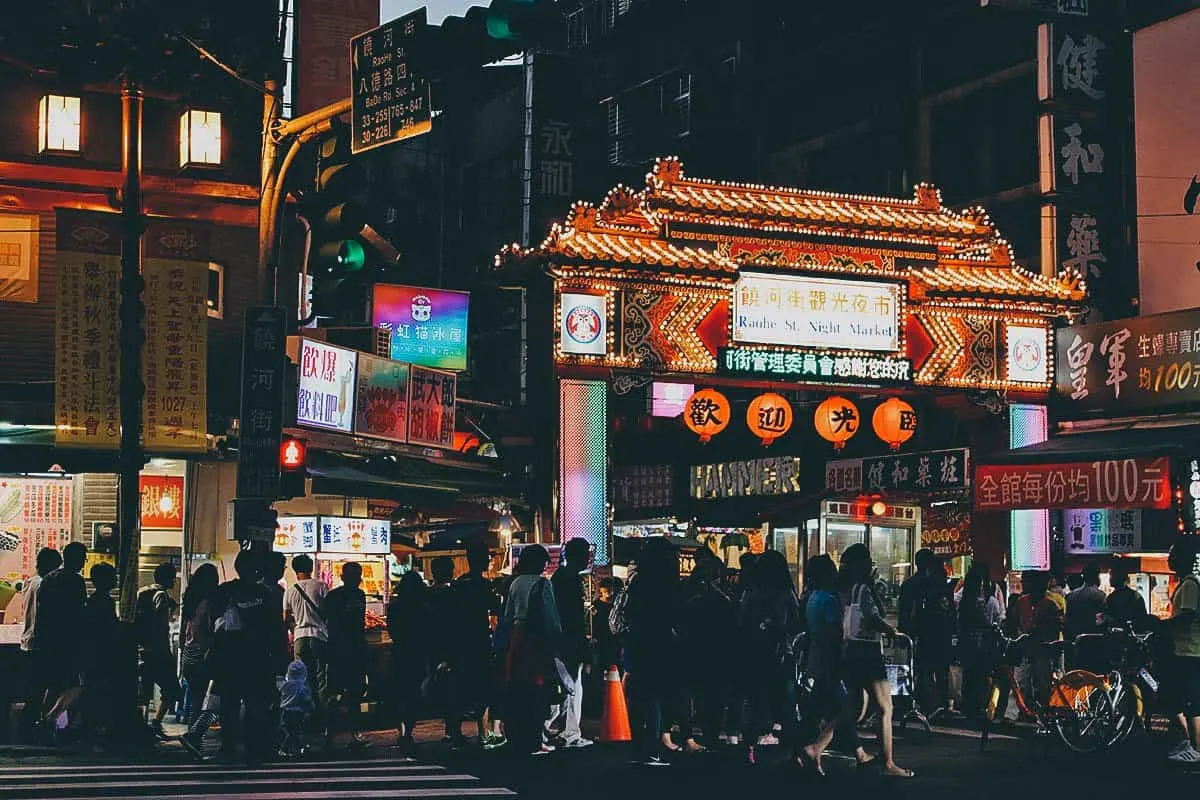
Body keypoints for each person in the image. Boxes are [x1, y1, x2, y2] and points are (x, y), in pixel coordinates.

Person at [840, 543, 912, 778]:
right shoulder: (864, 588)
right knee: (885, 707)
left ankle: (816, 747)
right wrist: (893, 632)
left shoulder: (848, 588)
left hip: (851, 651)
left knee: (852, 709)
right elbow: (871, 618)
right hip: (868, 652)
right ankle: (888, 762)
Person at [799, 554, 871, 774]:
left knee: (825, 710)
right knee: (844, 709)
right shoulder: (829, 600)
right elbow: (834, 632)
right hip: (830, 661)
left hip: (817, 659)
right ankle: (815, 749)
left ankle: (856, 752)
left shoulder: (813, 597)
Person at [210, 549, 275, 762]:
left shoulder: (224, 591)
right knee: (255, 703)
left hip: (230, 656)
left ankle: (228, 747)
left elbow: (214, 622)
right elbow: (273, 630)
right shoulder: (265, 595)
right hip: (257, 657)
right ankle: (254, 746)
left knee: (229, 704)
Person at [740, 550, 802, 766]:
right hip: (782, 654)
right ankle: (795, 754)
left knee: (755, 702)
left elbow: (742, 621)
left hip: (755, 654)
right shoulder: (786, 593)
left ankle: (748, 748)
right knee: (787, 705)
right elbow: (796, 621)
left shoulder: (751, 592)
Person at [500, 544, 562, 756]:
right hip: (535, 638)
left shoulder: (514, 583)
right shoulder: (542, 584)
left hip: (516, 638)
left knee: (518, 688)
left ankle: (517, 737)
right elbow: (551, 618)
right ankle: (535, 740)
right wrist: (556, 641)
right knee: (537, 689)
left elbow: (507, 615)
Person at [624, 537, 679, 767]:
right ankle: (653, 747)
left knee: (640, 694)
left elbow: (629, 611)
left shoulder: (639, 581)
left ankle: (640, 747)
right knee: (655, 696)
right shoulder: (671, 582)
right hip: (663, 643)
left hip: (639, 641)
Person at [677, 558, 735, 753]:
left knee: (697, 695)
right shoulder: (721, 600)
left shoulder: (689, 597)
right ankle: (711, 736)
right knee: (714, 698)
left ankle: (694, 734)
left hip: (693, 652)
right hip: (716, 655)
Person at [34, 541, 88, 737]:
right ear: (75, 559)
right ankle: (49, 719)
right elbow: (80, 614)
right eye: (83, 558)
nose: (84, 562)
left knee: (54, 684)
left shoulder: (48, 579)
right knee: (75, 686)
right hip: (68, 643)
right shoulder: (76, 581)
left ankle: (46, 725)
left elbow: (42, 612)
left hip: (47, 642)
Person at [452, 541, 503, 748]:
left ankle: (456, 734)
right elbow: (497, 611)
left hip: (460, 642)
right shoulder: (483, 585)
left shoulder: (459, 584)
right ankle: (484, 734)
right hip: (479, 641)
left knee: (460, 688)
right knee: (483, 689)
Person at [546, 537, 593, 749]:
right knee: (572, 687)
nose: (588, 558)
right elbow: (573, 617)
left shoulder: (560, 577)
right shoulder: (570, 579)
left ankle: (557, 729)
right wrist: (582, 645)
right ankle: (568, 733)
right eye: (585, 554)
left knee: (566, 686)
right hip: (569, 641)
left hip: (559, 639)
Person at [898, 548, 954, 718]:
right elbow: (948, 609)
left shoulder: (910, 584)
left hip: (919, 634)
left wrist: (903, 631)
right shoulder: (936, 584)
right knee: (939, 670)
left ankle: (924, 704)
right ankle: (940, 705)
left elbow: (904, 612)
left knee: (922, 670)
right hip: (936, 633)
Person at [134, 563, 182, 738]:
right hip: (158, 650)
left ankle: (143, 724)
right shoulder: (161, 595)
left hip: (142, 649)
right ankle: (156, 722)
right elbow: (160, 621)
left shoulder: (142, 592)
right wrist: (171, 612)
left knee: (144, 691)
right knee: (172, 689)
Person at [324, 561, 369, 750]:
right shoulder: (335, 596)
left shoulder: (359, 595)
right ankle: (336, 732)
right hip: (341, 649)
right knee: (341, 693)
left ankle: (338, 732)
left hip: (349, 649)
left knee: (349, 693)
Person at [178, 563, 220, 756]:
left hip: (188, 656)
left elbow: (182, 634)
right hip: (203, 656)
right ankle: (194, 736)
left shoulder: (190, 603)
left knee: (196, 701)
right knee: (214, 701)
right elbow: (209, 632)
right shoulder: (208, 604)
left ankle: (193, 738)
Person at [283, 554, 329, 729]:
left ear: (295, 570)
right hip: (319, 636)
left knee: (301, 678)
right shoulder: (322, 586)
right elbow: (329, 612)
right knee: (321, 678)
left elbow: (286, 617)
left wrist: (295, 629)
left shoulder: (290, 590)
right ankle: (322, 718)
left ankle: (304, 717)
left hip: (300, 637)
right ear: (311, 568)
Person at [18, 547, 60, 738]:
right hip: (39, 642)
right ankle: (33, 728)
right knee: (40, 688)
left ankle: (28, 726)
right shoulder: (45, 584)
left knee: (33, 688)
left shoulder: (29, 582)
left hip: (27, 640)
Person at [1165, 538, 1200, 762]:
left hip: (1190, 651)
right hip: (1185, 650)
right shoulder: (1186, 583)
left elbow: (1185, 617)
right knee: (1185, 700)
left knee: (1190, 702)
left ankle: (1195, 748)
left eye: (1173, 554)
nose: (1170, 559)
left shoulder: (1189, 584)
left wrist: (1160, 624)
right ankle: (1192, 745)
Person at [387, 571, 429, 753]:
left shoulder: (395, 606)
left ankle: (401, 730)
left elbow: (391, 629)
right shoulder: (424, 608)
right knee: (413, 694)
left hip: (399, 651)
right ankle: (408, 731)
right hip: (418, 652)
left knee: (399, 692)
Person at [957, 562, 1004, 716]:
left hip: (967, 641)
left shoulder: (965, 599)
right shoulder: (989, 601)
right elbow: (998, 618)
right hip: (985, 642)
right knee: (983, 675)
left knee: (969, 674)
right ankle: (981, 704)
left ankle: (968, 703)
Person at [80, 562, 119, 741]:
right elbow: (109, 629)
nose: (115, 579)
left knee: (93, 690)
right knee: (99, 691)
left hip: (92, 654)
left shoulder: (93, 600)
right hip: (102, 654)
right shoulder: (104, 602)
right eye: (112, 576)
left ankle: (91, 726)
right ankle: (96, 728)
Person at [278, 659, 316, 757]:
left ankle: (294, 748)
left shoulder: (285, 685)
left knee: (290, 732)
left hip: (285, 712)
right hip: (297, 714)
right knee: (294, 732)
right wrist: (311, 708)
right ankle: (289, 748)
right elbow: (306, 700)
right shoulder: (302, 687)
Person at [1065, 565, 1106, 642]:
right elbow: (1100, 620)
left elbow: (1068, 620)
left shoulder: (1071, 595)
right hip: (1092, 638)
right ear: (1097, 577)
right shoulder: (1099, 595)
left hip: (1075, 637)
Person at [1106, 561, 1148, 628]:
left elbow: (1109, 619)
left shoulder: (1112, 598)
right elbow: (1143, 618)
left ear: (1120, 577)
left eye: (1112, 575)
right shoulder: (1136, 595)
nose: (1109, 579)